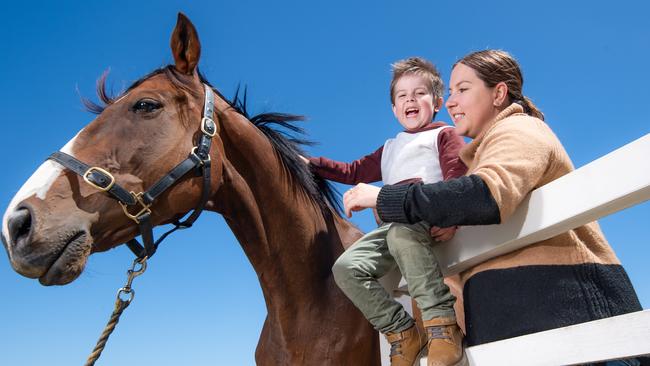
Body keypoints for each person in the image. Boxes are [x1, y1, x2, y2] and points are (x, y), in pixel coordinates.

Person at [343, 50, 644, 366]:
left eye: (463, 89)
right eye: (450, 92)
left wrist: (383, 199)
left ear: (498, 93)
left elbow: (485, 194)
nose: (450, 101)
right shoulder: (481, 154)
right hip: (521, 336)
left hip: (578, 328)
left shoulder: (520, 130)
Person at [307, 57, 468, 366]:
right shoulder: (390, 147)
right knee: (346, 268)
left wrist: (453, 219)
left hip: (423, 220)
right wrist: (310, 164)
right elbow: (352, 170)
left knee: (402, 234)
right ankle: (403, 332)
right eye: (401, 96)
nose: (410, 99)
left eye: (419, 93)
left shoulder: (443, 135)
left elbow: (456, 179)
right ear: (394, 109)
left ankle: (442, 326)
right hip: (390, 229)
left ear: (436, 102)